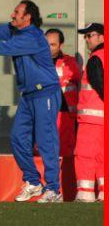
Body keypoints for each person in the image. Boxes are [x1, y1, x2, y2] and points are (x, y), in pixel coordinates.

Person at [0, 0, 62, 203]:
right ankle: (33, 181)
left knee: (45, 141)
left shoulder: (32, 37)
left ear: (27, 17)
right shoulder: (16, 31)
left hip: (45, 93)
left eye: (17, 12)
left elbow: (3, 48)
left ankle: (53, 189)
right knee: (17, 138)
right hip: (29, 95)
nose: (12, 15)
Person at [75, 23, 104, 202]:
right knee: (102, 156)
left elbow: (100, 84)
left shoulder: (96, 58)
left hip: (91, 117)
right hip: (102, 117)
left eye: (90, 35)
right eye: (85, 36)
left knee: (85, 154)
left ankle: (85, 193)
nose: (86, 39)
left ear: (102, 36)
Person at [45, 28, 80, 157]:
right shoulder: (37, 62)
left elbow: (79, 83)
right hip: (43, 113)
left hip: (65, 114)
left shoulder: (69, 62)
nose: (48, 48)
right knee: (43, 150)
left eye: (53, 44)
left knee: (65, 151)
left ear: (61, 45)